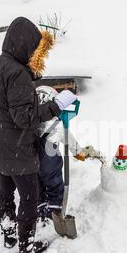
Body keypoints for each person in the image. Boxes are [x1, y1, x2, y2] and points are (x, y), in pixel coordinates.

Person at [0, 17, 77, 253]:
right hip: (17, 149)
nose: (36, 54)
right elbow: (26, 118)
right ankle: (26, 245)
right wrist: (56, 105)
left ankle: (9, 232)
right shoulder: (18, 73)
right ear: (23, 45)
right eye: (34, 48)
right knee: (29, 196)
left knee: (4, 189)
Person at [35, 86, 87, 220]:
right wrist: (77, 152)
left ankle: (40, 205)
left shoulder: (33, 122)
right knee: (54, 183)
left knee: (38, 183)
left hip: (33, 160)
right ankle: (55, 208)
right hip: (50, 161)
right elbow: (68, 138)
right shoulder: (57, 124)